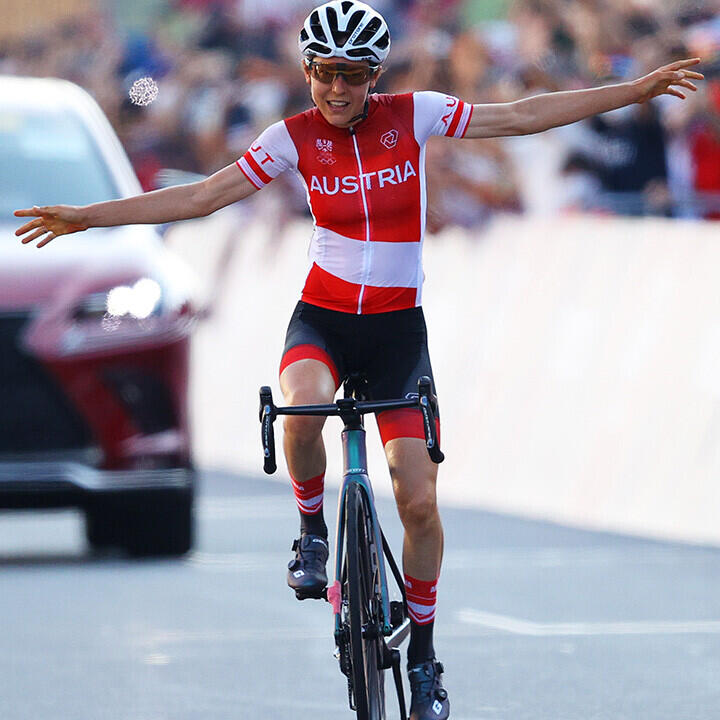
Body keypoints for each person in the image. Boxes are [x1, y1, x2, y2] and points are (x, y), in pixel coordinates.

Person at [14, 2, 703, 717]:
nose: (335, 89)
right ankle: (313, 530)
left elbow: (523, 114)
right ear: (307, 71)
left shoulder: (417, 114)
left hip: (397, 335)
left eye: (350, 76)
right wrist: (88, 217)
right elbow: (202, 195)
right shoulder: (294, 137)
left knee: (418, 500)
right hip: (324, 322)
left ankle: (426, 653)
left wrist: (634, 89)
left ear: (374, 77)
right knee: (301, 414)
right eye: (322, 73)